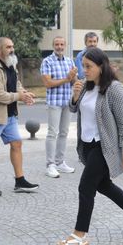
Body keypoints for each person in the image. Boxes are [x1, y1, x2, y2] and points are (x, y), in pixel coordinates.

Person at [55, 47, 123, 245]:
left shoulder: (114, 89)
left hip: (104, 145)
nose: (85, 70)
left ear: (101, 66)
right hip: (88, 145)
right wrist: (74, 96)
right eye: (83, 66)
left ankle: (80, 236)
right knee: (103, 185)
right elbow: (74, 109)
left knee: (85, 187)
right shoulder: (85, 87)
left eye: (89, 66)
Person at [0, 37, 39, 196]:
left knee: (17, 144)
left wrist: (25, 93)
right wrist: (19, 97)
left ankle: (20, 181)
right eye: (8, 47)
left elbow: (16, 84)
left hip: (10, 114)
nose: (12, 49)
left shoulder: (11, 63)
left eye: (12, 46)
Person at [40, 36, 78, 178]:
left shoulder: (69, 61)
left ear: (65, 45)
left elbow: (74, 81)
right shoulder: (47, 61)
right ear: (53, 45)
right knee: (52, 133)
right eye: (57, 44)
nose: (59, 47)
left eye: (62, 44)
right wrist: (67, 78)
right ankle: (50, 165)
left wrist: (74, 78)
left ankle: (60, 162)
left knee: (64, 133)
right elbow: (48, 83)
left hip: (67, 102)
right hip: (54, 102)